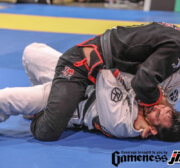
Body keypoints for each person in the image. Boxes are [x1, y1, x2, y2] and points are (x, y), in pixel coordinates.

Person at [27, 22, 180, 141]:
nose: (156, 108)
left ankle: (40, 104)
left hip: (99, 72)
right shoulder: (175, 47)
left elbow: (144, 81)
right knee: (48, 131)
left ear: (152, 129)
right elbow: (141, 83)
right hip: (84, 65)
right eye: (162, 109)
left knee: (32, 55)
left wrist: (144, 110)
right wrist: (159, 99)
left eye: (158, 114)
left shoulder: (126, 124)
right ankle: (39, 109)